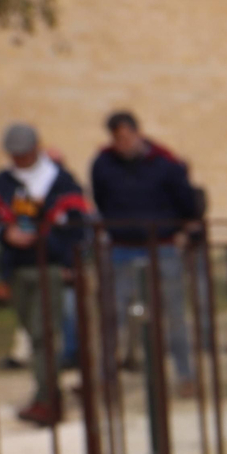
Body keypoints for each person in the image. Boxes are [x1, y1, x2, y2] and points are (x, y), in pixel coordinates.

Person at [89, 110, 200, 389]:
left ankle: (185, 374)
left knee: (173, 314)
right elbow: (100, 199)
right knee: (112, 314)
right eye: (118, 138)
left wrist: (176, 228)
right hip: (121, 249)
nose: (123, 143)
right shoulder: (104, 164)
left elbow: (186, 201)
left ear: (137, 134)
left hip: (160, 247)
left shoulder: (164, 163)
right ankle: (107, 376)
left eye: (127, 136)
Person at [0, 124, 89, 426]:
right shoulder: (4, 182)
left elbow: (76, 223)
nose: (20, 160)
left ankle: (47, 399)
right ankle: (47, 394)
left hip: (49, 265)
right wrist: (6, 233)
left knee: (43, 334)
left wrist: (56, 247)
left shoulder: (59, 180)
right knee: (33, 333)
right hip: (17, 267)